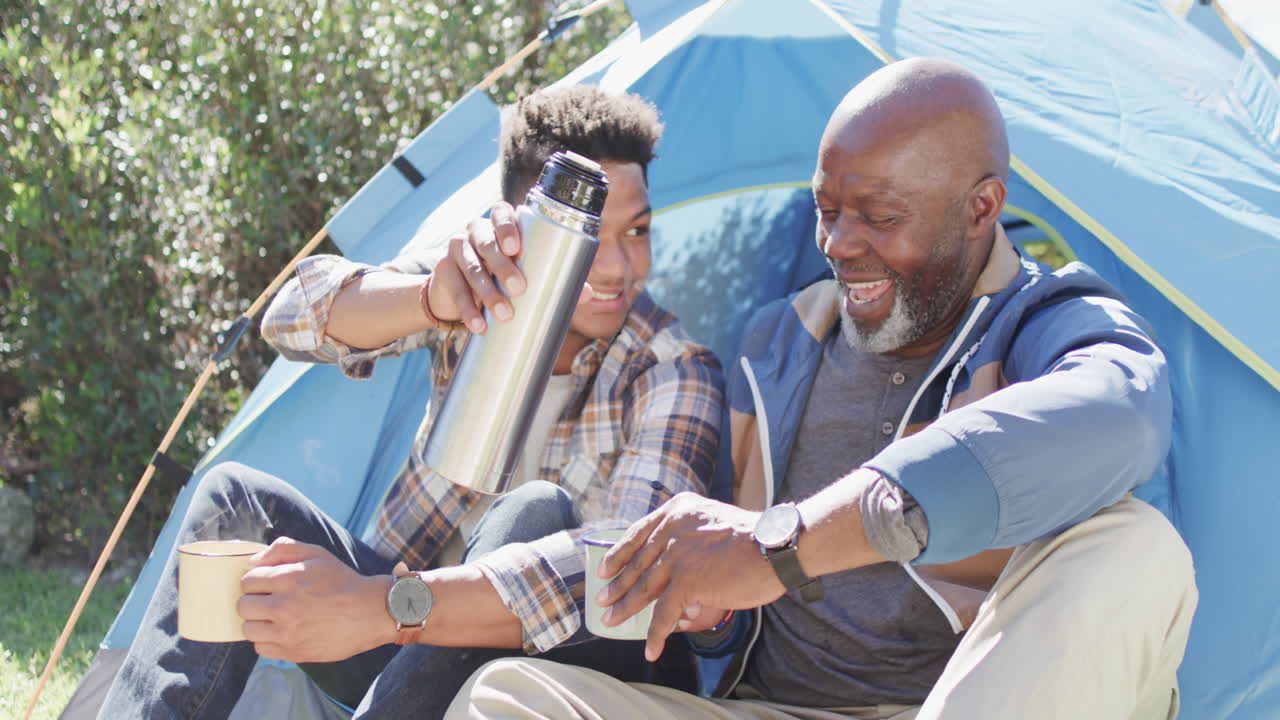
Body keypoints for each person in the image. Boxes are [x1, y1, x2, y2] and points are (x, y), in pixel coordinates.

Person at [443, 58, 1199, 720]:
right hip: (773, 709)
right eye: (826, 212)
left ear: (981, 208)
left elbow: (1121, 419)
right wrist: (715, 612)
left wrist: (785, 545)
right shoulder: (780, 344)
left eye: (879, 217)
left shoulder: (1047, 323)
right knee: (506, 698)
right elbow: (729, 606)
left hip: (958, 701)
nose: (839, 245)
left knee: (1137, 548)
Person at [98, 86, 724, 719]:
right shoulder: (479, 289)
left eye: (637, 230)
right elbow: (289, 319)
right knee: (236, 501)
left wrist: (399, 608)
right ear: (520, 223)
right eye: (589, 235)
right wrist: (429, 299)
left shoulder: (672, 369)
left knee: (532, 514)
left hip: (586, 665)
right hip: (403, 628)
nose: (618, 266)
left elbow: (628, 583)